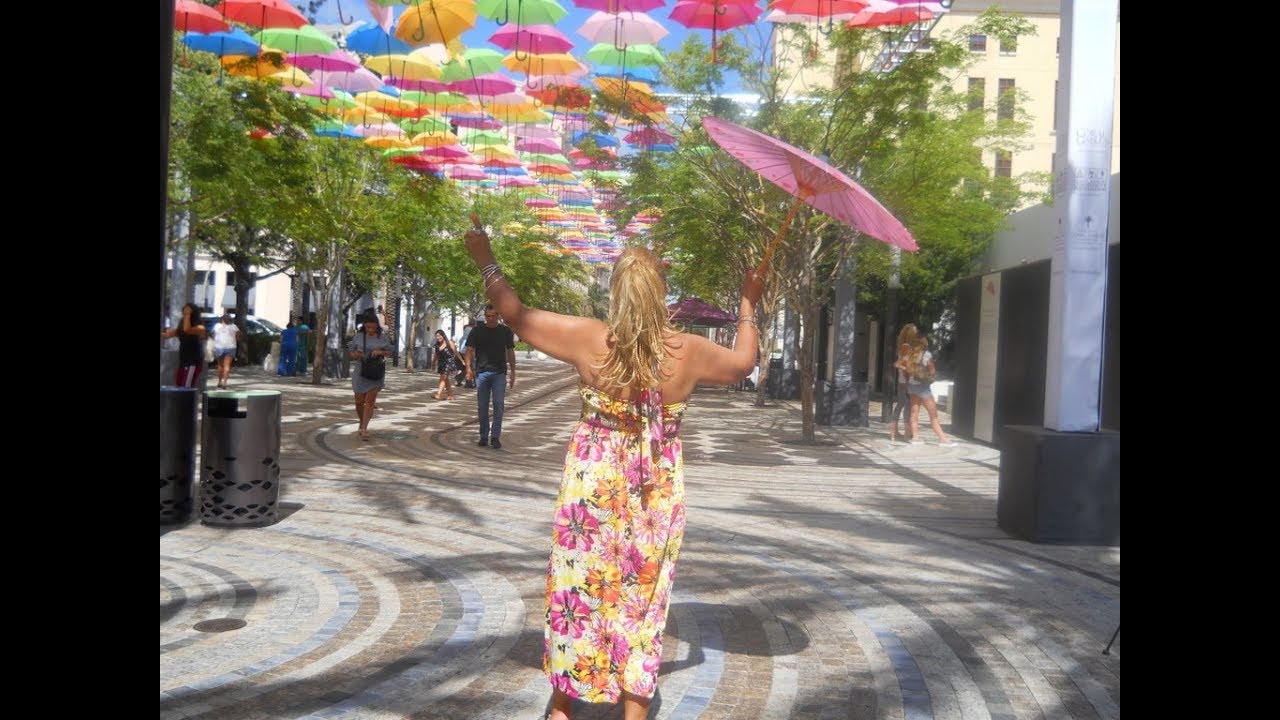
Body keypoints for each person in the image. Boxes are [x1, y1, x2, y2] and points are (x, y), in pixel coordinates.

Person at [463, 226, 762, 720]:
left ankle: (563, 706)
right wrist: (748, 302)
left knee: (579, 585)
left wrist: (485, 257)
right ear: (662, 292)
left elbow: (514, 313)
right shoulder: (688, 350)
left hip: (592, 485)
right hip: (655, 490)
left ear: (616, 289)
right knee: (643, 597)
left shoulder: (589, 338)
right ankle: (634, 711)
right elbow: (744, 363)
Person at [463, 304, 515, 449]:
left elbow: (510, 351)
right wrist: (468, 369)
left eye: (493, 316)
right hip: (482, 373)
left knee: (498, 404)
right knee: (482, 406)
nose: (490, 319)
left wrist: (513, 371)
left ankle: (495, 436)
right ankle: (484, 436)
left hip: (499, 373)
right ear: (485, 316)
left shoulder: (505, 331)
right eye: (488, 316)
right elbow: (469, 350)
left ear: (498, 316)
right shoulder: (477, 331)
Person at [904, 327, 955, 446]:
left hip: (912, 386)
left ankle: (915, 438)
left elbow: (906, 370)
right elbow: (932, 371)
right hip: (923, 387)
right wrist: (929, 378)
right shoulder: (926, 355)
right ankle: (943, 439)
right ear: (923, 343)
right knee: (933, 415)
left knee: (914, 412)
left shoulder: (910, 355)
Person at [347, 314, 393, 441]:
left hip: (375, 372)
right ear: (364, 326)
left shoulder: (382, 338)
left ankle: (364, 428)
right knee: (359, 401)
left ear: (377, 326)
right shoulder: (358, 336)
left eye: (373, 327)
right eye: (368, 327)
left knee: (370, 401)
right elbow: (351, 353)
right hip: (360, 371)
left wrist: (380, 352)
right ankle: (362, 421)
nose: (370, 330)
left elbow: (390, 352)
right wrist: (356, 354)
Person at [161, 303, 208, 388]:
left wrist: (187, 315)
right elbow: (167, 335)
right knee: (179, 385)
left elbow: (187, 329)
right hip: (184, 361)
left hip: (193, 362)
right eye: (184, 312)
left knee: (186, 387)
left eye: (187, 312)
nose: (184, 315)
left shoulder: (200, 328)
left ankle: (189, 398)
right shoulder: (181, 329)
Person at [889, 325, 918, 443]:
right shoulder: (906, 347)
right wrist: (906, 369)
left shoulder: (904, 347)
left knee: (901, 405)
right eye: (915, 333)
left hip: (904, 381)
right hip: (905, 382)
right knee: (907, 407)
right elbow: (897, 364)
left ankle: (894, 432)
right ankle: (906, 433)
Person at [210, 313, 240, 389]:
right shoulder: (234, 327)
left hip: (219, 347)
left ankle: (219, 381)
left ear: (222, 319)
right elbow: (238, 337)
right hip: (231, 347)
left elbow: (213, 335)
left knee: (220, 366)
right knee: (227, 366)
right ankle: (225, 383)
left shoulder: (217, 326)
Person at [432, 329, 461, 401]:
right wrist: (433, 363)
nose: (438, 337)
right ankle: (450, 395)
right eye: (436, 336)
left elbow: (456, 352)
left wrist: (462, 360)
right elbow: (436, 355)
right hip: (441, 363)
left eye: (439, 335)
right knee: (446, 379)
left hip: (449, 363)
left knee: (443, 378)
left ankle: (438, 394)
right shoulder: (437, 345)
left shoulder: (449, 343)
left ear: (443, 335)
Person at [455, 322, 474, 387]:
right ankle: (468, 383)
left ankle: (463, 381)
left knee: (465, 368)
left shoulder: (461, 338)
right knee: (469, 368)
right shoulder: (468, 339)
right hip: (467, 354)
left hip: (461, 354)